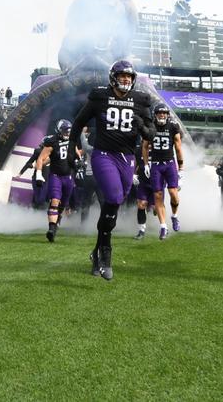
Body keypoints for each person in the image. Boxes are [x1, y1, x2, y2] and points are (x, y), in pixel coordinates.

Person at [70, 60, 153, 281]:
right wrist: (72, 148)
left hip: (126, 157)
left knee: (114, 203)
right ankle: (106, 253)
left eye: (129, 76)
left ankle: (96, 252)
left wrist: (142, 126)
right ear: (113, 77)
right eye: (122, 75)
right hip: (103, 154)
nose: (126, 79)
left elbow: (151, 135)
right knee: (114, 196)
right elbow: (78, 123)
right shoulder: (100, 96)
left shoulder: (141, 100)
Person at [142, 103, 184, 239]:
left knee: (173, 193)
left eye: (164, 113)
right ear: (155, 114)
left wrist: (181, 167)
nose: (162, 115)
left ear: (167, 114)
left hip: (169, 164)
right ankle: (163, 226)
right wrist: (146, 164)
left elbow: (178, 148)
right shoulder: (150, 126)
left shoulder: (173, 126)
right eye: (159, 113)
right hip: (156, 165)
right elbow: (145, 146)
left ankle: (175, 216)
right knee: (158, 196)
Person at [34, 119, 80, 242]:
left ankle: (57, 219)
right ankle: (52, 229)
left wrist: (80, 161)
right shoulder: (52, 142)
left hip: (69, 177)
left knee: (63, 205)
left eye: (69, 131)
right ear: (59, 131)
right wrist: (39, 173)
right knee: (55, 201)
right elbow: (40, 158)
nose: (67, 133)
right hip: (56, 176)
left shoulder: (71, 140)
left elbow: (76, 153)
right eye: (65, 131)